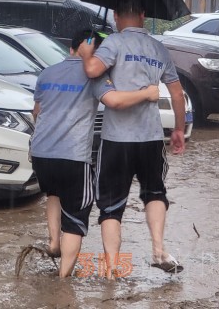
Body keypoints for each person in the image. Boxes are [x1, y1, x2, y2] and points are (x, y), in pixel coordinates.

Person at [30, 29, 160, 278]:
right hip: (73, 157)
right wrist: (147, 93)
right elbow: (115, 102)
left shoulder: (46, 73)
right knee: (76, 218)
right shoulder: (94, 76)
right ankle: (62, 281)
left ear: (70, 48)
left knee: (53, 192)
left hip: (41, 153)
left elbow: (36, 111)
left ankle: (53, 242)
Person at [77, 0, 186, 277]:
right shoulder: (159, 48)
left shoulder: (113, 42)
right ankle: (159, 250)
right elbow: (175, 93)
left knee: (111, 207)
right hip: (150, 137)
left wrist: (88, 51)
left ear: (116, 16)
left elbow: (92, 71)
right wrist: (177, 129)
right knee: (155, 193)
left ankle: (113, 268)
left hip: (116, 140)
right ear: (142, 13)